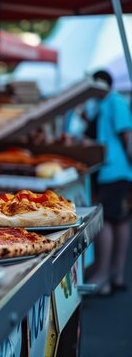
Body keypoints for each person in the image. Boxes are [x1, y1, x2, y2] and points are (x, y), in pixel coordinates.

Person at [85, 70, 132, 295]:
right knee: (120, 220)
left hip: (115, 172)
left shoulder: (114, 102)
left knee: (108, 221)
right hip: (117, 171)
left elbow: (127, 138)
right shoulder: (106, 103)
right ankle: (116, 276)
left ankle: (105, 275)